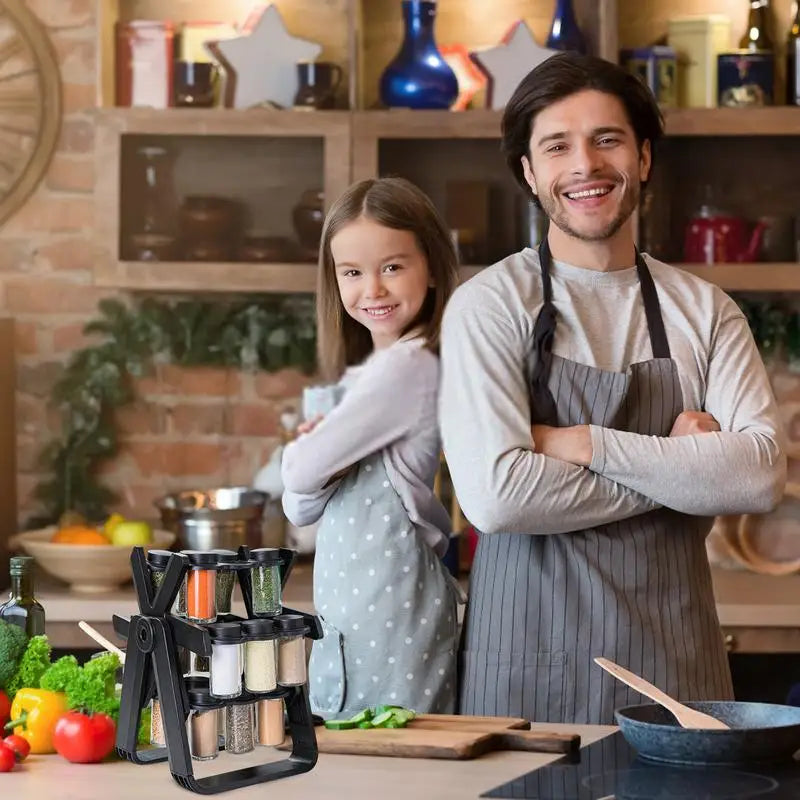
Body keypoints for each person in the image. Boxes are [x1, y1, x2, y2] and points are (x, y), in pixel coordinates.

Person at [439, 52, 787, 725]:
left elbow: (757, 478)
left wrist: (581, 443)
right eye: (557, 146)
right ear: (529, 173)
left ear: (644, 158)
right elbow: (497, 497)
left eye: (607, 139)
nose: (586, 166)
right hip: (524, 672)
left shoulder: (706, 311)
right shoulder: (489, 306)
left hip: (675, 666)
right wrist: (677, 470)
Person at [281, 176, 461, 717]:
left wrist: (309, 456)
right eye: (353, 273)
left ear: (430, 266)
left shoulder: (410, 366)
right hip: (359, 615)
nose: (373, 290)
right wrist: (310, 468)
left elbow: (303, 473)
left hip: (395, 606)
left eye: (392, 267)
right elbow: (300, 508)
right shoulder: (371, 374)